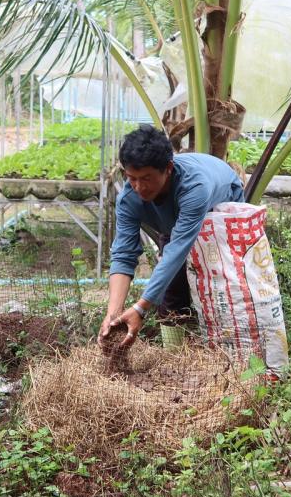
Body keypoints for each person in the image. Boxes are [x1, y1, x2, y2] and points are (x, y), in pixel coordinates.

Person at [99, 125, 244, 348]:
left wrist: (139, 308)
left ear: (168, 168)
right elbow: (124, 254)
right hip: (176, 226)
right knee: (170, 292)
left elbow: (177, 250)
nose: (138, 187)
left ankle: (229, 352)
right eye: (131, 178)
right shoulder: (129, 199)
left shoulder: (195, 187)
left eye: (146, 178)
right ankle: (174, 358)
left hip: (219, 215)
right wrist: (113, 314)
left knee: (222, 287)